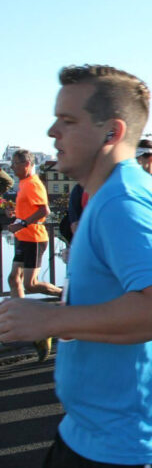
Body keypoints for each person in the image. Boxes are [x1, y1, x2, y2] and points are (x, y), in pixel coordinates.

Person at [0, 64, 152, 468]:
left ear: (111, 131)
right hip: (84, 434)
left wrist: (50, 318)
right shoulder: (105, 196)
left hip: (128, 448)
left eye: (68, 121)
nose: (52, 131)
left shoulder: (125, 200)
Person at [7, 149, 63, 361]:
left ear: (27, 164)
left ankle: (64, 295)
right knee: (14, 279)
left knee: (30, 284)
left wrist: (22, 222)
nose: (12, 167)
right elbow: (30, 209)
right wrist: (16, 216)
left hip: (35, 238)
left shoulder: (33, 183)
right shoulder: (23, 183)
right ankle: (21, 323)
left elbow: (44, 210)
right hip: (24, 237)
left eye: (15, 163)